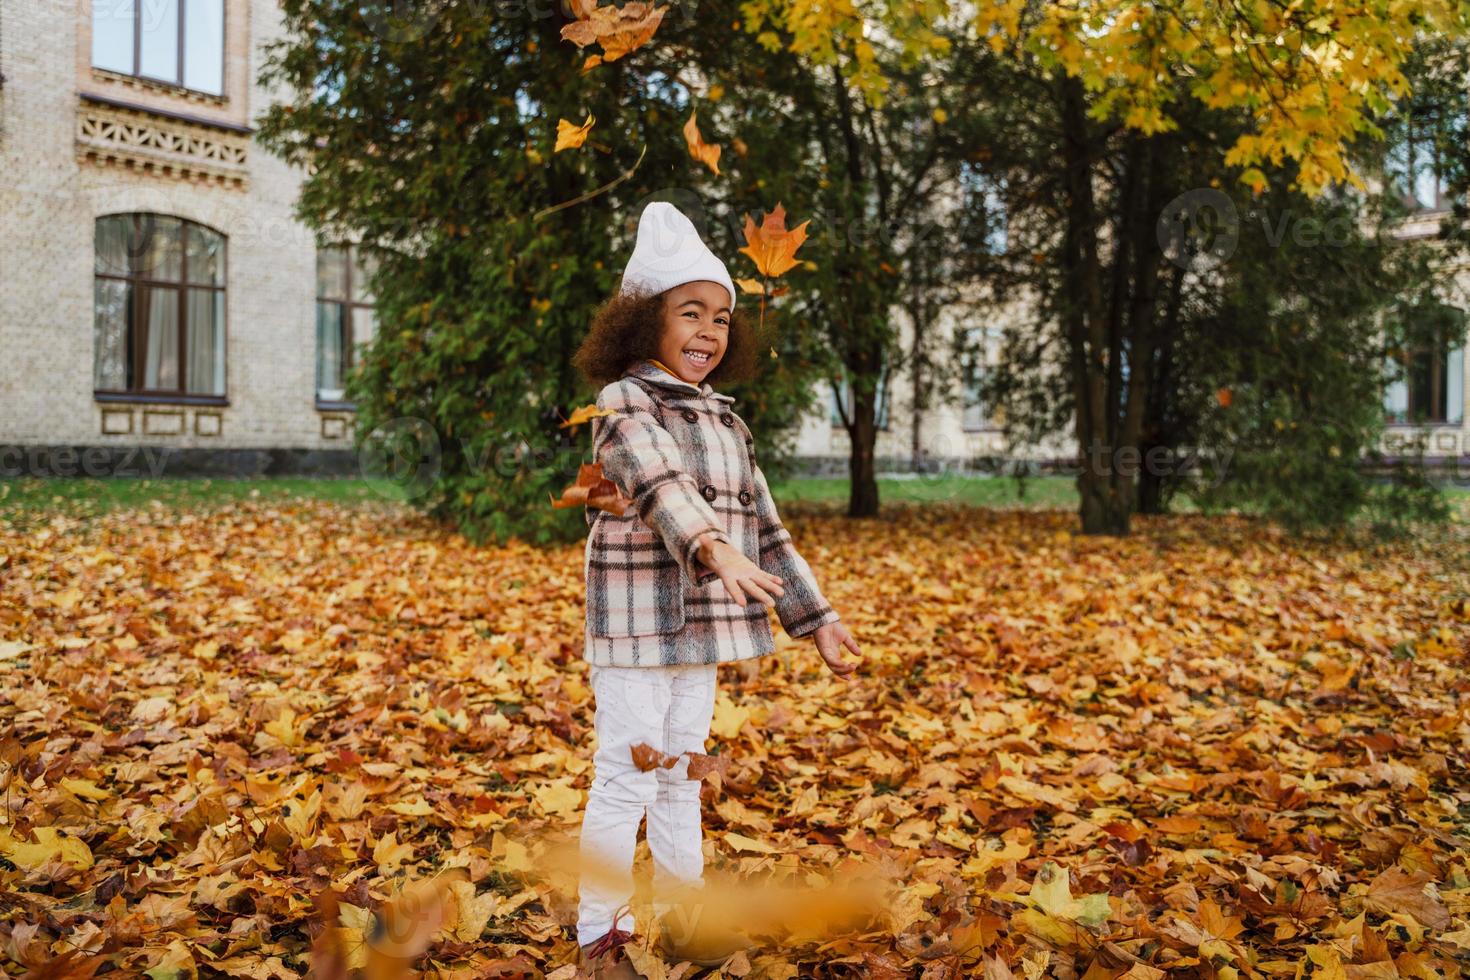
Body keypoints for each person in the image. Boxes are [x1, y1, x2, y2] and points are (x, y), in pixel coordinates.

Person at [568, 202, 862, 977]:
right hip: (636, 628)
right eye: (689, 312)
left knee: (680, 775)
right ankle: (600, 929)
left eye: (722, 317)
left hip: (699, 631)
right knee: (626, 775)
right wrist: (712, 548)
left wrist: (816, 619)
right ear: (642, 325)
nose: (708, 330)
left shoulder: (729, 422)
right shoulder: (625, 404)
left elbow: (768, 528)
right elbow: (663, 487)